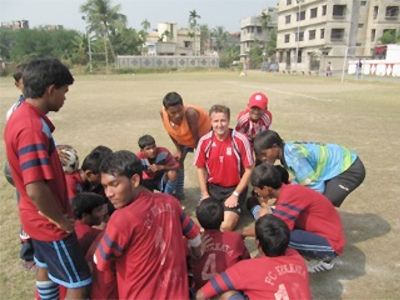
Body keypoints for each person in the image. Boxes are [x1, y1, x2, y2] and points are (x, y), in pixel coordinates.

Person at [4, 58, 92, 299]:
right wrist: (60, 221)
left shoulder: (22, 115)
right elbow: (34, 187)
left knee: (44, 267)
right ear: (51, 90)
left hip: (34, 217)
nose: (65, 98)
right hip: (49, 222)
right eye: (64, 92)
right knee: (79, 281)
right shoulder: (31, 127)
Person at [94, 150, 202, 299]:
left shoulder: (121, 218)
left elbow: (101, 261)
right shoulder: (170, 201)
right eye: (105, 187)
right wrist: (197, 255)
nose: (109, 193)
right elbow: (195, 238)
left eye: (114, 184)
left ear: (134, 180)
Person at [250, 163, 345, 273]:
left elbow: (272, 230)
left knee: (275, 238)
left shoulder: (289, 197)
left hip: (331, 245)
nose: (256, 192)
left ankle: (326, 260)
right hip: (320, 232)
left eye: (256, 189)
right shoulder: (289, 190)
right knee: (267, 217)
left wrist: (242, 233)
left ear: (266, 188)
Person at [196, 214, 311, 300]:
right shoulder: (297, 258)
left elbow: (201, 294)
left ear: (258, 244)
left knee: (227, 294)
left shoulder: (247, 269)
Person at [253, 130, 366, 207]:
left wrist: (285, 201)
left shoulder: (294, 158)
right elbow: (303, 179)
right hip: (340, 164)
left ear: (275, 147)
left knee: (323, 203)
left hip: (349, 169)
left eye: (264, 154)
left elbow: (316, 187)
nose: (263, 158)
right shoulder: (287, 150)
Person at [194, 105, 254, 231]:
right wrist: (205, 194)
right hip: (213, 189)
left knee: (225, 226)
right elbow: (200, 168)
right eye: (216, 121)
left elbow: (249, 170)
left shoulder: (240, 140)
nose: (220, 125)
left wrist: (235, 195)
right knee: (204, 223)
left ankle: (235, 209)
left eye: (223, 120)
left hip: (234, 188)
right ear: (210, 122)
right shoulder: (204, 141)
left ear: (229, 120)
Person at [190, 198, 250, 290]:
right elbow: (246, 262)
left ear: (198, 220)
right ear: (222, 219)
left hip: (201, 290)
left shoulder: (193, 241)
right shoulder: (234, 238)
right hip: (228, 290)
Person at [160, 91, 211, 200]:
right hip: (186, 137)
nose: (177, 115)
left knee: (204, 166)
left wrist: (201, 156)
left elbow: (196, 138)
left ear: (183, 106)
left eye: (179, 110)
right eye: (173, 113)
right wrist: (179, 149)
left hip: (202, 137)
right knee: (177, 163)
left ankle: (206, 195)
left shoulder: (190, 114)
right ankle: (179, 192)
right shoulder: (162, 113)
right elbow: (170, 131)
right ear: (166, 110)